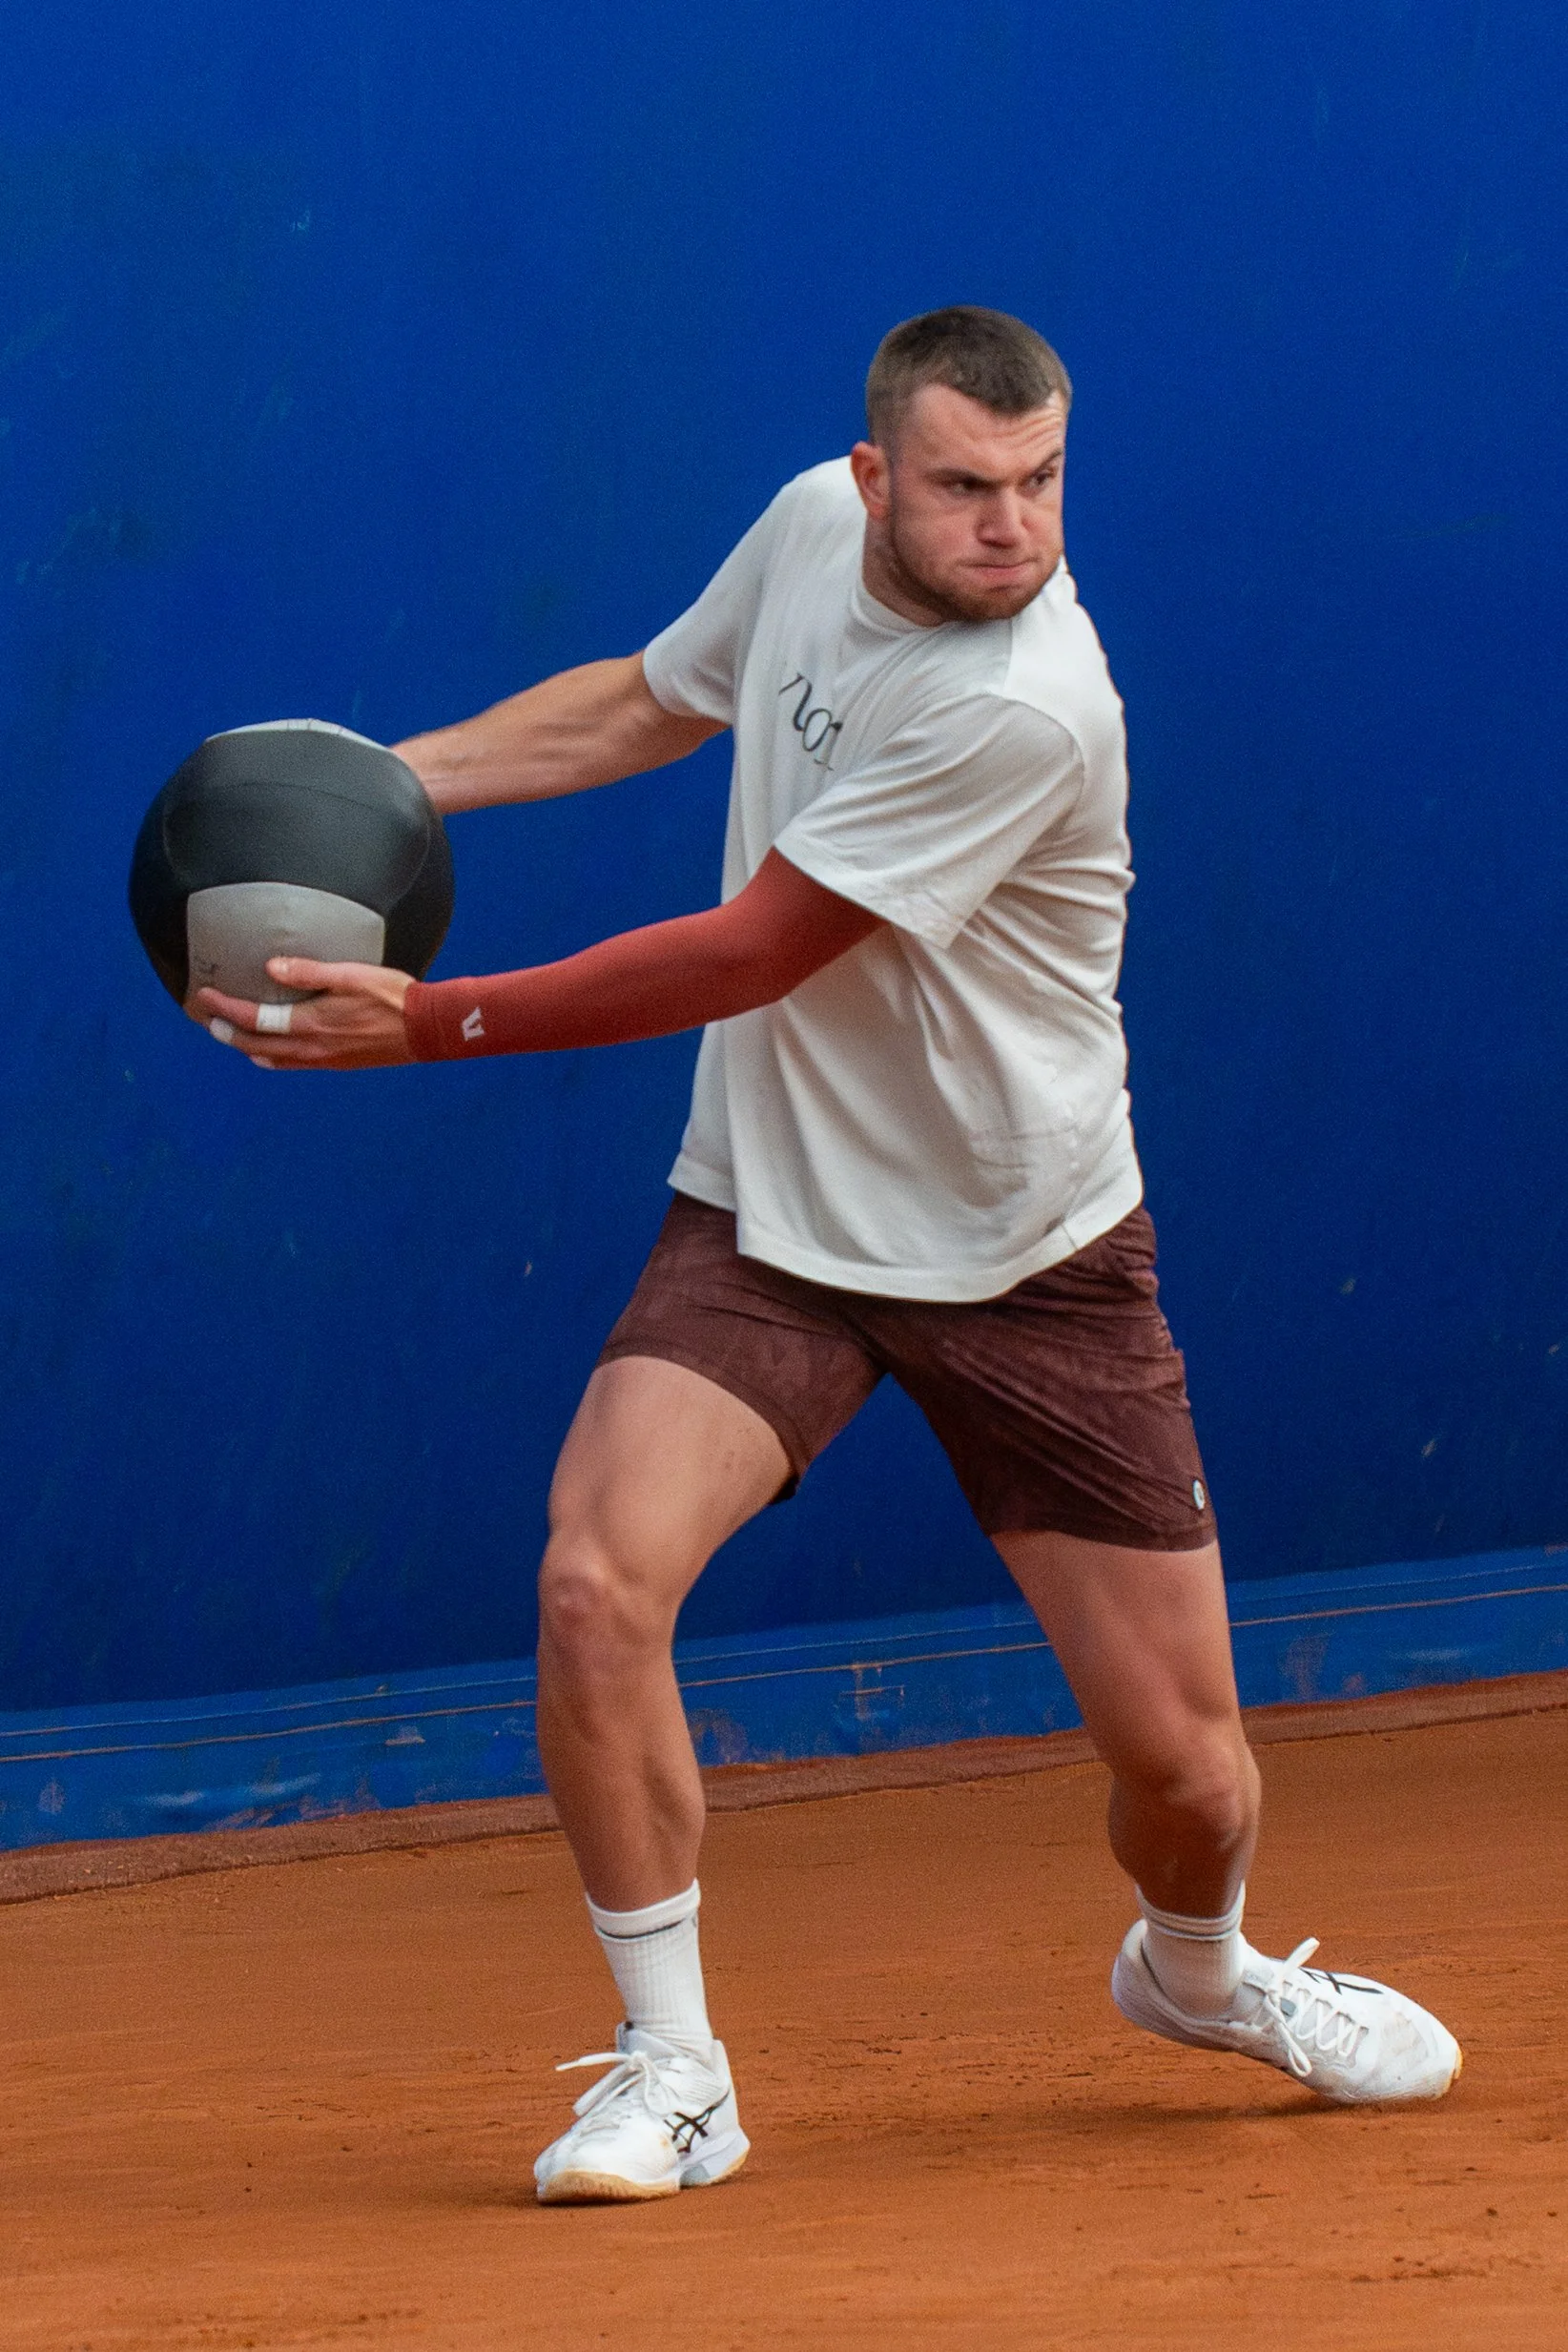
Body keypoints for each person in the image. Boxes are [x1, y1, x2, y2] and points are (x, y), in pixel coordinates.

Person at [200, 306, 1461, 2204]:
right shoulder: (805, 532)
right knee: (593, 1588)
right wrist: (373, 784)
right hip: (774, 1215)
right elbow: (645, 699)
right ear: (874, 477)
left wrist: (434, 1021)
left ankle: (1197, 1975)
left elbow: (750, 953)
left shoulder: (1029, 702)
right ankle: (677, 2066)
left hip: (1028, 1247)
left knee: (1193, 1780)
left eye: (1040, 486)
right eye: (964, 486)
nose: (1011, 529)